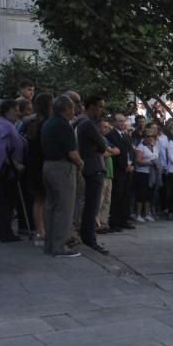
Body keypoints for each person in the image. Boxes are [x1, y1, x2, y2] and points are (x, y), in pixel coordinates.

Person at [41, 95, 83, 257]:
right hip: (62, 167)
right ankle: (60, 246)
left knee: (51, 207)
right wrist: (80, 163)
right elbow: (72, 153)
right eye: (72, 107)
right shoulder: (63, 125)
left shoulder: (48, 123)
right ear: (66, 108)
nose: (74, 110)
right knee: (64, 208)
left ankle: (50, 244)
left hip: (48, 166)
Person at [0, 99, 27, 243]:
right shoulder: (3, 126)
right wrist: (15, 165)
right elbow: (1, 151)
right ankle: (4, 232)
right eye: (15, 110)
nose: (18, 113)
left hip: (8, 170)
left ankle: (5, 230)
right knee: (6, 201)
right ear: (7, 110)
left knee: (7, 201)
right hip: (7, 170)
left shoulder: (5, 125)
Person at [76, 95, 109, 254]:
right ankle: (89, 239)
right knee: (92, 206)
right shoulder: (87, 123)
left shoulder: (79, 122)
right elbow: (103, 145)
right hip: (93, 167)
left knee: (89, 205)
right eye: (100, 106)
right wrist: (99, 147)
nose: (101, 110)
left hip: (87, 166)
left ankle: (85, 236)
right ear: (91, 106)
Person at [23, 93, 53, 245]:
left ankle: (40, 230)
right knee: (42, 199)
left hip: (34, 163)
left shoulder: (33, 122)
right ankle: (41, 231)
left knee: (39, 199)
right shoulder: (46, 123)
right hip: (41, 163)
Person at [106, 113, 135, 231]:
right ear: (114, 123)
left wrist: (132, 164)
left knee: (126, 196)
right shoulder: (111, 135)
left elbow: (131, 151)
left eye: (124, 121)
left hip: (129, 169)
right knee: (117, 196)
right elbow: (115, 154)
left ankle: (124, 220)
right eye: (120, 121)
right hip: (119, 170)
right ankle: (114, 222)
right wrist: (124, 166)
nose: (123, 123)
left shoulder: (126, 135)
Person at [133, 130, 160, 222]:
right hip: (142, 173)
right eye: (148, 136)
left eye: (152, 136)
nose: (150, 138)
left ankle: (147, 213)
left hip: (152, 174)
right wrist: (150, 163)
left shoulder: (155, 147)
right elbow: (138, 160)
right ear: (144, 137)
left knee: (150, 194)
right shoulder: (140, 147)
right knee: (141, 194)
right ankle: (138, 214)